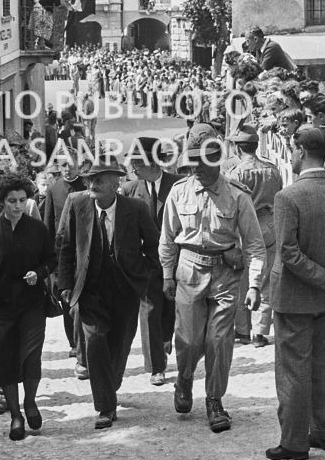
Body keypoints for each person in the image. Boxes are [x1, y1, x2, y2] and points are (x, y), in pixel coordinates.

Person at [159, 123, 266, 434]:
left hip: (225, 275)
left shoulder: (237, 196)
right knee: (189, 341)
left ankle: (215, 400)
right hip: (189, 270)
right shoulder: (178, 193)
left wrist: (256, 283)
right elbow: (167, 238)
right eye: (192, 162)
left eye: (203, 162)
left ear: (216, 161)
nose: (197, 169)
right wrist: (167, 274)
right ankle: (184, 379)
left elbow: (256, 244)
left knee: (219, 341)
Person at [265, 127, 325, 460]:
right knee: (323, 366)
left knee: (293, 370)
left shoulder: (288, 197)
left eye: (292, 149)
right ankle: (324, 431)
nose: (291, 155)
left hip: (295, 293)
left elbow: (288, 253)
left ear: (301, 151)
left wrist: (319, 277)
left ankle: (293, 441)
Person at [56, 153, 159, 430]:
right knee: (96, 342)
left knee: (120, 343)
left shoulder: (135, 208)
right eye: (91, 178)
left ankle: (109, 387)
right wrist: (65, 286)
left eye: (101, 179)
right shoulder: (77, 204)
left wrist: (144, 276)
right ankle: (105, 407)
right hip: (90, 289)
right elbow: (65, 245)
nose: (93, 183)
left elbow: (152, 245)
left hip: (125, 288)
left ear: (116, 183)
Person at [0, 175, 56, 441]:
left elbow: (51, 259)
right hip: (0, 305)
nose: (18, 205)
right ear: (2, 203)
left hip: (32, 304)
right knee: (5, 360)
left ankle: (30, 401)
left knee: (31, 357)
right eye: (12, 201)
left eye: (22, 200)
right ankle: (15, 415)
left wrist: (40, 272)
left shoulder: (37, 229)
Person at [120, 137, 180, 384]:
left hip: (175, 260)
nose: (132, 169)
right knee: (149, 310)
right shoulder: (130, 189)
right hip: (146, 262)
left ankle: (165, 338)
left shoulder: (177, 185)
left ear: (151, 162)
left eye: (136, 163)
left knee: (170, 309)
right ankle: (156, 366)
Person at [222, 123, 284, 348]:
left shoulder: (234, 173)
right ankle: (261, 330)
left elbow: (229, 204)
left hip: (244, 226)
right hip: (268, 223)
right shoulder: (272, 169)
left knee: (242, 278)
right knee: (265, 278)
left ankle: (243, 329)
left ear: (238, 148)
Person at [42, 148, 88, 371]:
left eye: (72, 164)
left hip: (85, 248)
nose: (68, 168)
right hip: (63, 252)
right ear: (58, 168)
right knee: (67, 297)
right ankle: (73, 341)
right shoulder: (53, 189)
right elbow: (48, 223)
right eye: (63, 165)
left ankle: (83, 341)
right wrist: (49, 259)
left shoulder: (87, 186)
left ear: (79, 163)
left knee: (83, 298)